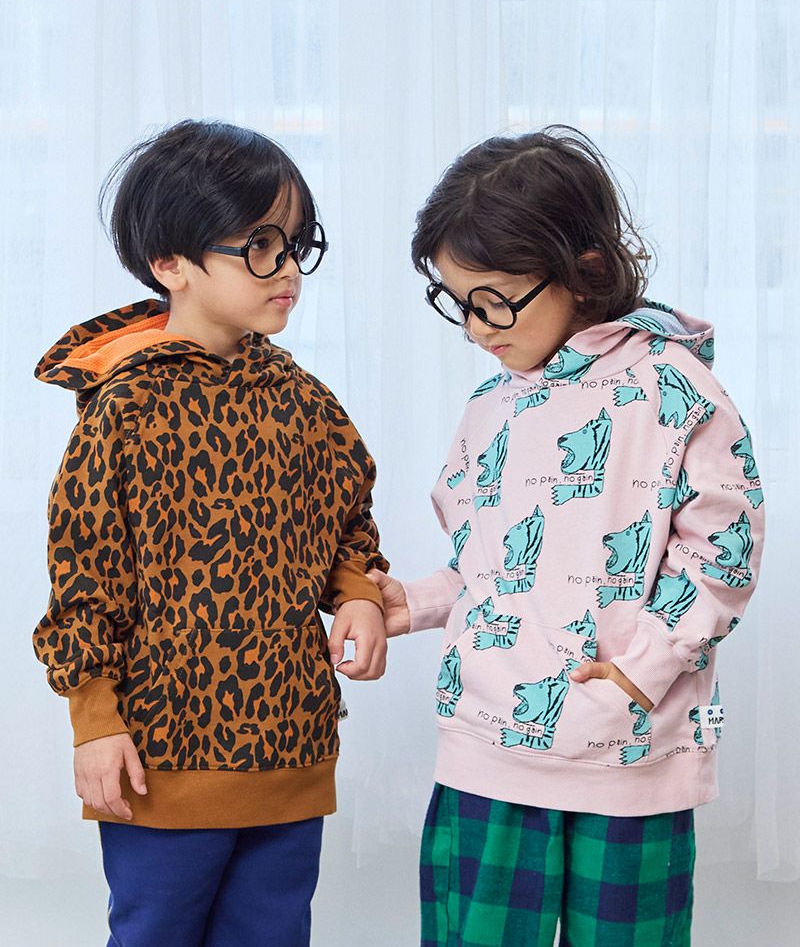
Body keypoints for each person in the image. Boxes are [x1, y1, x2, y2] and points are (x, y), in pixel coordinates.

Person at [368, 126, 764, 947]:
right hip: (488, 747)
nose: (477, 328)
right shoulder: (492, 406)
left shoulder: (677, 388)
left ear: (583, 270)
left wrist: (643, 669)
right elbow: (489, 567)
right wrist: (415, 601)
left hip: (629, 753)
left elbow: (722, 551)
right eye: (459, 303)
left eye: (494, 300)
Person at [33, 119, 388, 947]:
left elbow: (347, 519)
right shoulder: (125, 408)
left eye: (296, 245)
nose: (288, 269)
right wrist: (95, 720)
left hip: (291, 746)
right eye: (260, 246)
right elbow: (84, 577)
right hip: (161, 755)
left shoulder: (305, 401)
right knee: (156, 931)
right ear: (171, 264)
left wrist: (360, 596)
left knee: (273, 933)